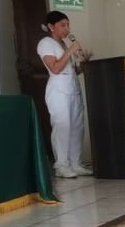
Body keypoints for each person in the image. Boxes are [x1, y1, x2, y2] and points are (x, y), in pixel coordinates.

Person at [37, 11, 91, 178]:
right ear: (51, 26)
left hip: (73, 90)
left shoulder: (64, 44)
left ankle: (75, 164)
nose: (67, 29)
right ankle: (61, 166)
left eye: (68, 25)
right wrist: (70, 51)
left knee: (77, 127)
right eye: (63, 25)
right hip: (58, 92)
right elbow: (55, 68)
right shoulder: (46, 43)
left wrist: (84, 64)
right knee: (63, 127)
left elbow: (71, 70)